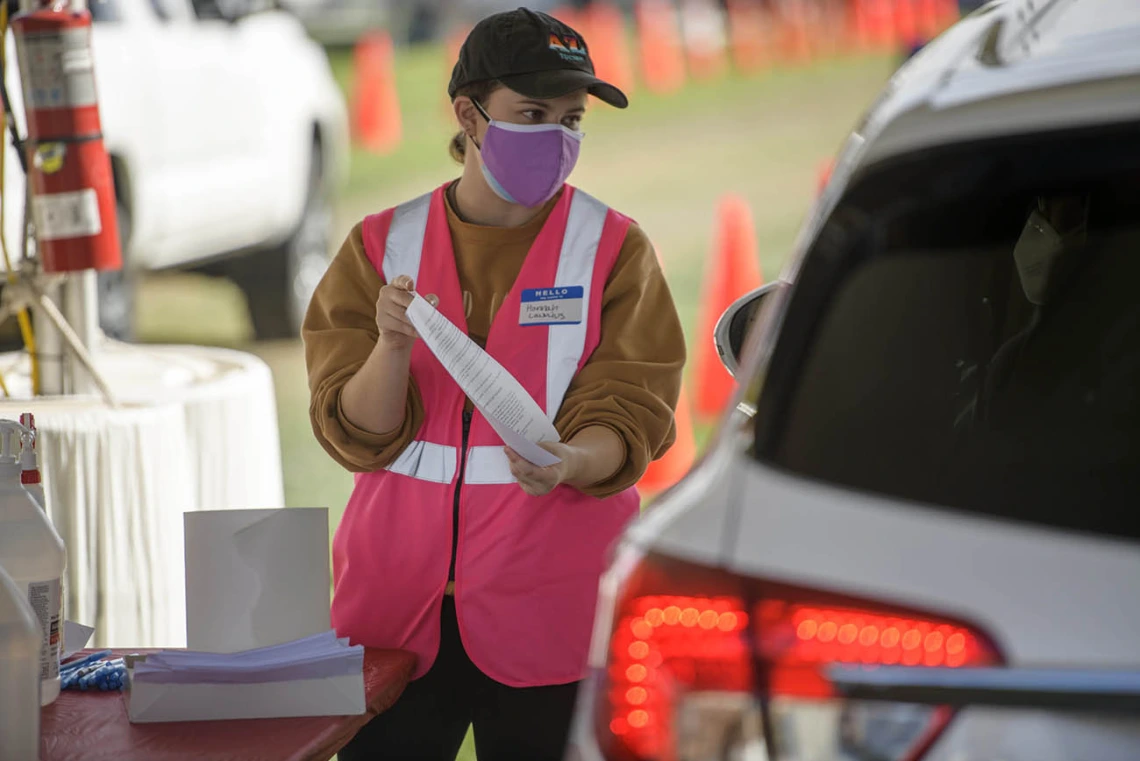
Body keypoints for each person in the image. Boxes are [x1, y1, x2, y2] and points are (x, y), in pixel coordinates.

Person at [302, 8, 685, 760]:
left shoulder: (613, 249)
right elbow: (356, 431)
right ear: (469, 116)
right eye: (532, 114)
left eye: (571, 119)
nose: (556, 138)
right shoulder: (380, 245)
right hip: (394, 614)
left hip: (553, 608)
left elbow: (632, 406)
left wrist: (573, 462)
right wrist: (388, 345)